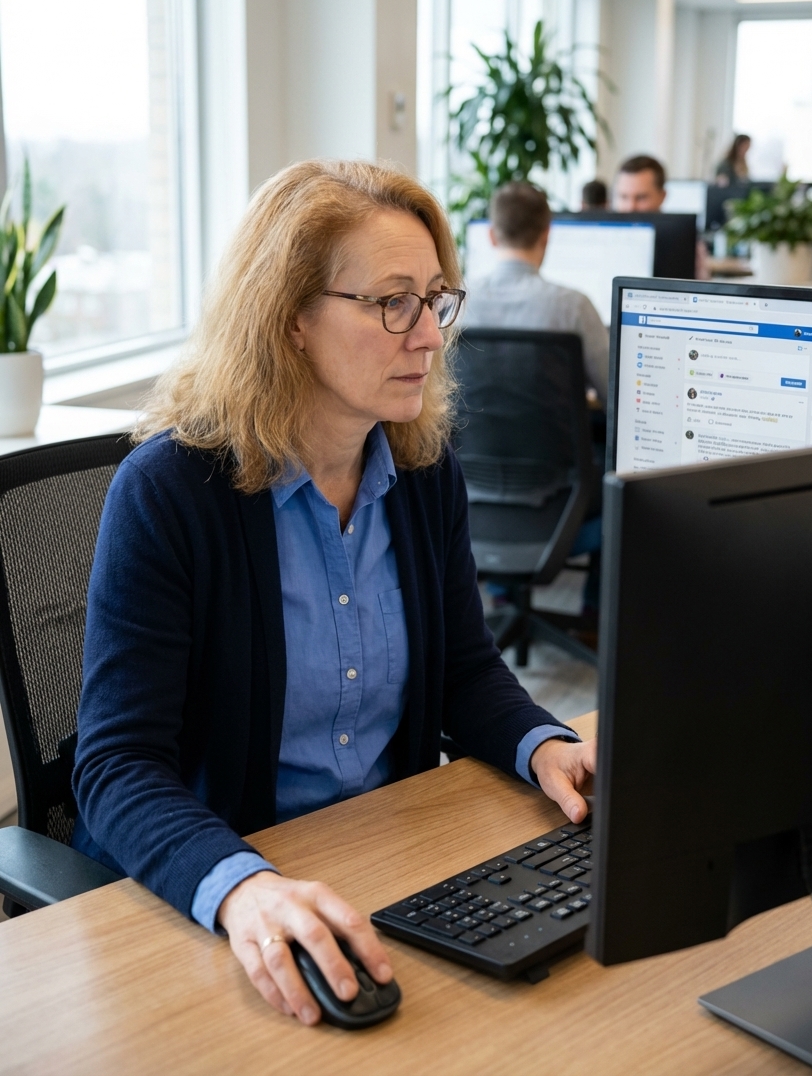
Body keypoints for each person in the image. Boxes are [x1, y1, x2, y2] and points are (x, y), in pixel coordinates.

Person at [71, 160, 596, 1029]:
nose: (428, 336)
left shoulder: (424, 473)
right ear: (291, 323)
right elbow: (117, 765)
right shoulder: (170, 492)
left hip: (390, 860)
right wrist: (244, 891)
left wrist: (542, 744)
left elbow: (464, 668)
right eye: (393, 302)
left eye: (435, 299)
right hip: (232, 884)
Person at [461, 181, 609, 405]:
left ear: (491, 235)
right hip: (555, 440)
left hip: (468, 440)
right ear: (546, 235)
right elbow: (612, 395)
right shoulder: (574, 306)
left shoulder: (458, 300)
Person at [614, 153, 709, 280]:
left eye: (641, 197)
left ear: (662, 196)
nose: (631, 207)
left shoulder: (683, 240)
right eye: (623, 197)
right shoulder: (603, 237)